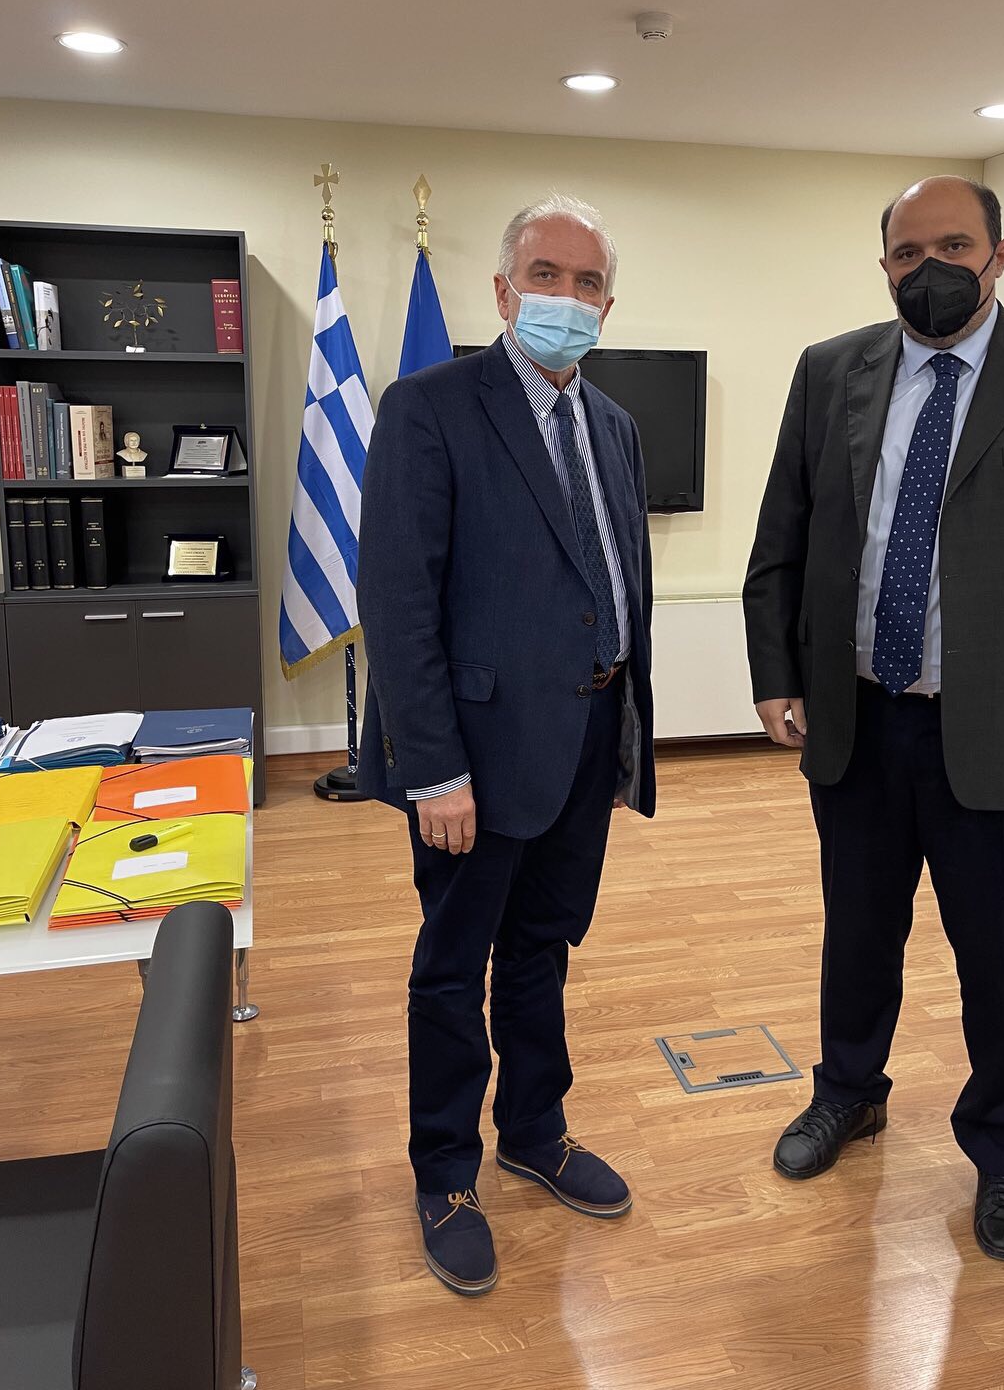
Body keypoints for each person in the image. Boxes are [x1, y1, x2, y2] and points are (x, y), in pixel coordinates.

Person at [743, 175, 1004, 1260]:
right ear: (883, 264)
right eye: (907, 252)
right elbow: (783, 534)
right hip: (857, 717)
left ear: (999, 254)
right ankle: (848, 1091)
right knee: (856, 930)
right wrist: (774, 671)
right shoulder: (830, 370)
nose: (930, 269)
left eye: (955, 246)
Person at [358, 192, 655, 1296]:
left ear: (607, 306)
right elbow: (398, 603)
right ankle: (445, 1173)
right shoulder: (429, 408)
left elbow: (610, 582)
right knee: (453, 968)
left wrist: (623, 734)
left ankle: (535, 1130)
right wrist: (433, 767)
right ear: (502, 289)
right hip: (472, 761)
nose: (566, 299)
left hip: (585, 736)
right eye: (546, 276)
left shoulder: (615, 425)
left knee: (543, 949)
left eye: (588, 284)